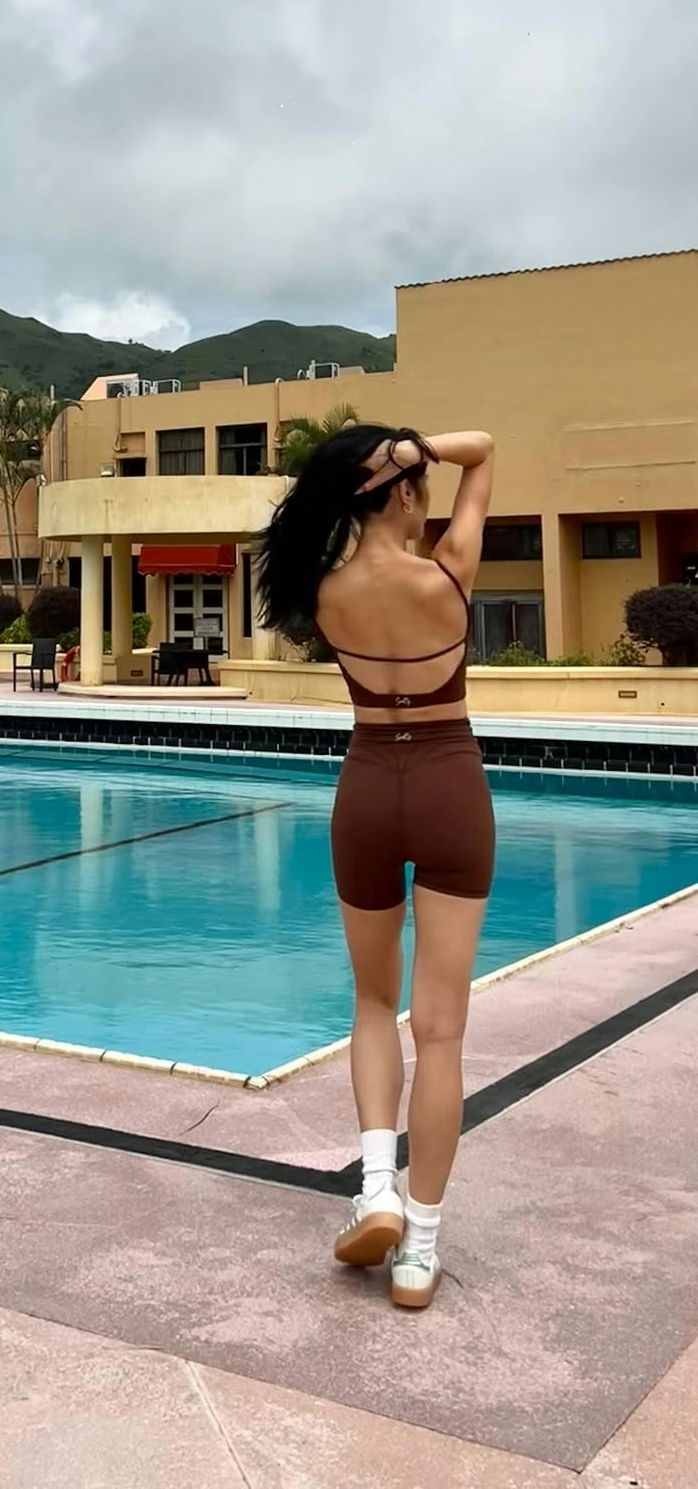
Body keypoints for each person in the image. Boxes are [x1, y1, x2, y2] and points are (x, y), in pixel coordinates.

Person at [257, 423, 495, 1311]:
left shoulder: (322, 590)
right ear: (403, 492)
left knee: (371, 1004)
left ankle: (376, 1189)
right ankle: (419, 1250)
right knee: (441, 1030)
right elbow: (485, 449)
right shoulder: (447, 572)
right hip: (449, 784)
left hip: (365, 790)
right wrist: (415, 447)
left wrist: (385, 461)